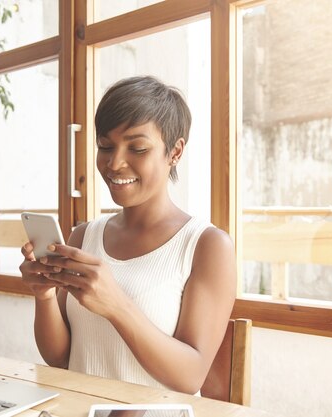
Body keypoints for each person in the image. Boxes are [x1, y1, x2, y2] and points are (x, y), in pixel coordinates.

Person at [19, 75, 236, 394]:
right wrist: (44, 296)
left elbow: (191, 377)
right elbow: (62, 357)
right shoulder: (83, 236)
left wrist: (116, 304)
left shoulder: (207, 246)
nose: (115, 163)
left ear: (174, 152)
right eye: (105, 146)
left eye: (137, 148)